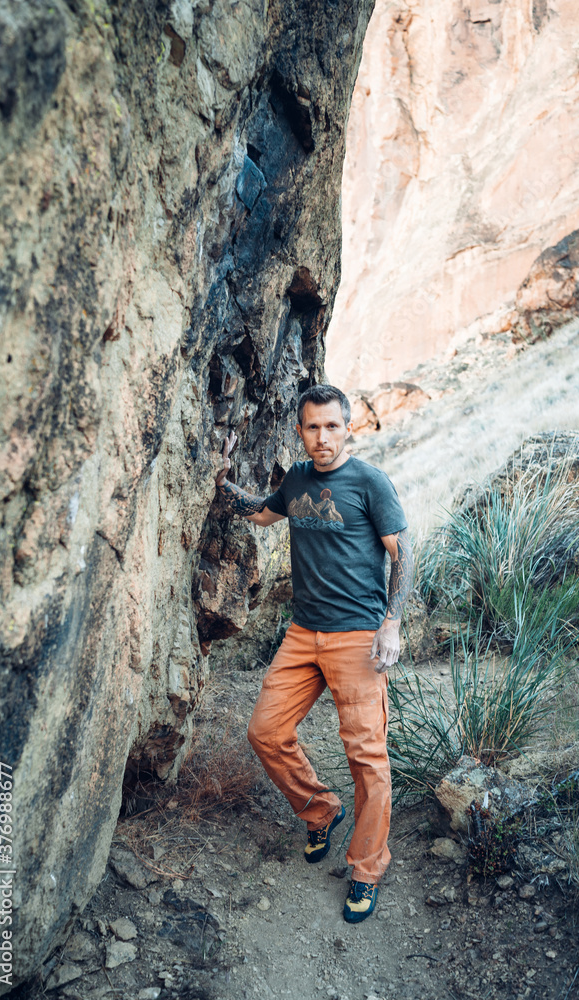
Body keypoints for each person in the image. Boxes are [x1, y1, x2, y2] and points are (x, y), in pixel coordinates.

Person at [215, 384, 413, 923]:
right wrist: (215, 476)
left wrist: (391, 623)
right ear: (299, 431)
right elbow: (261, 513)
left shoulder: (370, 482)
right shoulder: (298, 478)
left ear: (348, 426)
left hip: (357, 638)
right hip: (303, 634)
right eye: (311, 428)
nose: (321, 438)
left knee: (367, 759)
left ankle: (367, 869)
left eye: (331, 426)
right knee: (265, 732)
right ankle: (320, 808)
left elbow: (404, 552)